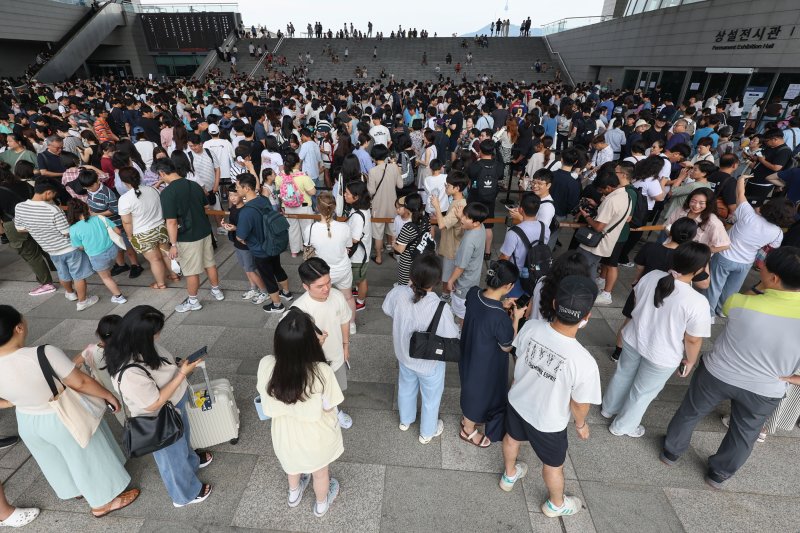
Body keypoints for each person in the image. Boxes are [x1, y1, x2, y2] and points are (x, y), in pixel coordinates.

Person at [661, 246, 800, 489]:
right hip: (766, 388)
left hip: (718, 373)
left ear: (774, 279)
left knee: (691, 411)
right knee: (745, 433)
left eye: (763, 269)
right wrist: (793, 379)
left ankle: (671, 452)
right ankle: (718, 474)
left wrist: (759, 289)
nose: (760, 270)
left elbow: (727, 309)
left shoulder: (740, 303)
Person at [0, 305, 139, 518]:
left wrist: (13, 402)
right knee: (86, 457)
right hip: (60, 416)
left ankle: (77, 490)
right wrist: (107, 395)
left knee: (54, 459)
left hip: (27, 420)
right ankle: (103, 504)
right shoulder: (42, 354)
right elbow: (80, 382)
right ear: (18, 328)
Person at [499, 276, 601, 519]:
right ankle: (556, 503)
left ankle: (509, 475)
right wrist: (581, 424)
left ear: (554, 303)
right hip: (548, 422)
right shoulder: (584, 362)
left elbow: (519, 356)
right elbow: (579, 403)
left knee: (511, 438)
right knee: (553, 465)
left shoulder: (531, 328)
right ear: (587, 317)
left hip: (517, 403)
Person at [105, 305, 213, 507]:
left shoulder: (135, 345)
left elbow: (159, 367)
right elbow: (154, 402)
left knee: (181, 441)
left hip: (173, 403)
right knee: (171, 459)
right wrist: (182, 374)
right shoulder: (128, 373)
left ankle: (190, 462)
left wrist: (179, 365)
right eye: (155, 332)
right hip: (159, 417)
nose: (159, 335)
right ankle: (184, 495)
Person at [602, 242, 712, 438]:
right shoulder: (697, 302)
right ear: (699, 270)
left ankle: (608, 408)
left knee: (623, 374)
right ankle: (622, 427)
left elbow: (637, 302)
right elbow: (693, 340)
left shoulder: (652, 276)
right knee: (642, 392)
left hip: (634, 337)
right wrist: (691, 360)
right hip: (662, 354)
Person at [256, 308, 344, 517]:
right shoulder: (321, 371)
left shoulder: (266, 364)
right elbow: (329, 406)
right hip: (316, 436)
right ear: (310, 343)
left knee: (292, 466)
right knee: (320, 474)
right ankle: (321, 505)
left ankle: (293, 495)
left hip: (284, 435)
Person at [383, 253, 459, 443]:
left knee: (406, 387)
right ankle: (427, 432)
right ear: (435, 281)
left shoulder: (399, 293)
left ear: (412, 273)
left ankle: (405, 420)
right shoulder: (440, 307)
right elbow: (451, 336)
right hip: (428, 363)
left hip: (404, 355)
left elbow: (387, 309)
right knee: (430, 398)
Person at [706, 175, 793, 318]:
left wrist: (741, 180)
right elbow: (769, 248)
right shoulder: (778, 233)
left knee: (715, 286)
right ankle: (722, 310)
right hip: (746, 262)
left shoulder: (748, 215)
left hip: (725, 255)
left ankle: (709, 315)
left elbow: (740, 194)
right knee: (732, 289)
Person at [459, 260, 525, 447]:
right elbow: (507, 346)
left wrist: (501, 304)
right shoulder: (499, 318)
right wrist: (515, 319)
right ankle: (468, 429)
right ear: (508, 286)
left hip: (468, 352)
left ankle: (469, 419)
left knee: (470, 387)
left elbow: (480, 313)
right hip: (485, 363)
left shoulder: (474, 293)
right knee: (478, 394)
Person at [13, 181, 99, 311]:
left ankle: (70, 293)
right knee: (78, 276)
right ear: (48, 192)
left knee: (62, 273)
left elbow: (20, 228)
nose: (53, 197)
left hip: (50, 249)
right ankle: (83, 301)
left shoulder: (20, 207)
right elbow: (66, 233)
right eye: (53, 194)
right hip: (69, 248)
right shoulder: (53, 209)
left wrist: (38, 228)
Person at [154, 158, 225, 312]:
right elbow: (206, 206)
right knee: (210, 264)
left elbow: (171, 222)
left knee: (191, 271)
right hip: (205, 231)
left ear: (161, 173)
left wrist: (173, 245)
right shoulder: (194, 185)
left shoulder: (167, 193)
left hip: (187, 237)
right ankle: (216, 290)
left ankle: (193, 301)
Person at [291, 258, 354, 429]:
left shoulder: (337, 295)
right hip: (312, 364)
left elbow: (344, 319)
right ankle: (321, 417)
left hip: (336, 356)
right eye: (320, 286)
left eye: (328, 282)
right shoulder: (298, 312)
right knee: (316, 394)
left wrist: (346, 345)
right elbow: (290, 348)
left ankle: (335, 411)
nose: (327, 289)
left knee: (336, 390)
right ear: (306, 286)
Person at [305, 192, 357, 333]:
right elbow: (348, 246)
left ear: (317, 208)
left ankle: (324, 325)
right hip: (343, 269)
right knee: (348, 297)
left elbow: (308, 248)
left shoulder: (310, 229)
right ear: (334, 207)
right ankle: (351, 324)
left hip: (321, 272)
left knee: (322, 299)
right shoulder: (345, 227)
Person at [117, 166, 175, 291]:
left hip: (142, 233)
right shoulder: (153, 190)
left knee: (155, 260)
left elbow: (126, 222)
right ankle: (175, 275)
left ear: (123, 181)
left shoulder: (124, 199)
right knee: (166, 254)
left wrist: (129, 236)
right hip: (161, 228)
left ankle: (161, 284)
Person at [0, 166, 56, 296]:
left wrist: (2, 232)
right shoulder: (24, 184)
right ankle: (62, 271)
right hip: (35, 219)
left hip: (13, 224)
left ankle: (46, 283)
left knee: (31, 254)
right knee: (46, 247)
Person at [66, 199, 127, 304]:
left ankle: (119, 297)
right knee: (108, 272)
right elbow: (117, 231)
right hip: (113, 250)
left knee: (106, 277)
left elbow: (80, 247)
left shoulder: (73, 229)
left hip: (97, 256)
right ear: (86, 208)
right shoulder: (99, 218)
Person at [577, 170, 632, 276]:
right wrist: (597, 206)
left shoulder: (611, 201)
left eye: (601, 190)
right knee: (591, 271)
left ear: (608, 187)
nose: (601, 193)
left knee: (580, 270)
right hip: (607, 243)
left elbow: (598, 227)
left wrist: (587, 216)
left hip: (595, 244)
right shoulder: (627, 196)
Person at [222, 183, 268, 304]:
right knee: (246, 268)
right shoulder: (233, 208)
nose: (232, 197)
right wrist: (226, 226)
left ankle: (264, 291)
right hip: (237, 243)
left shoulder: (246, 210)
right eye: (230, 195)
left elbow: (245, 229)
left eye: (235, 194)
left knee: (250, 269)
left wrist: (235, 228)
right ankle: (254, 288)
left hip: (245, 244)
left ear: (241, 195)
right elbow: (235, 225)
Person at [447, 203, 489, 320]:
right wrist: (462, 217)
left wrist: (451, 281)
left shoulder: (469, 241)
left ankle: (461, 334)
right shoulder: (481, 226)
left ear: (475, 223)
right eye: (464, 215)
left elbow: (460, 267)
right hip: (473, 278)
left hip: (464, 284)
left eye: (466, 217)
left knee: (462, 314)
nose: (463, 219)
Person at [430, 171, 468, 299]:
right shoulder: (459, 202)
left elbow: (441, 225)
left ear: (457, 188)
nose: (445, 187)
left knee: (447, 276)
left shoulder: (458, 205)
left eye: (448, 185)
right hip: (454, 247)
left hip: (452, 249)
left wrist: (437, 207)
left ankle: (446, 297)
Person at [367, 144, 403, 265]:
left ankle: (378, 257)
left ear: (374, 157)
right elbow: (400, 185)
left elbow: (371, 191)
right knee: (393, 231)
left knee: (378, 233)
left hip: (378, 206)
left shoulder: (372, 171)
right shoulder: (394, 168)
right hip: (393, 205)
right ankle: (394, 252)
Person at [276, 152, 317, 257]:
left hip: (288, 207)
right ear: (298, 163)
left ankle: (294, 251)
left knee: (292, 229)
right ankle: (308, 250)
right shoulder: (303, 176)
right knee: (307, 229)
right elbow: (312, 192)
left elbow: (278, 192)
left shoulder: (280, 177)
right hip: (304, 206)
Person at [392, 193, 431, 287]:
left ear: (407, 207)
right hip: (421, 259)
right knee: (418, 284)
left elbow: (400, 249)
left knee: (405, 287)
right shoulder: (426, 220)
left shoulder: (408, 227)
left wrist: (394, 244)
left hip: (408, 261)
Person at [344, 181, 372, 311]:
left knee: (361, 279)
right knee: (360, 277)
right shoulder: (362, 209)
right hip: (362, 252)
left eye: (347, 193)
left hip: (358, 255)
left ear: (356, 197)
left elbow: (354, 240)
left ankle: (360, 302)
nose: (344, 195)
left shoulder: (357, 216)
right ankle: (357, 291)